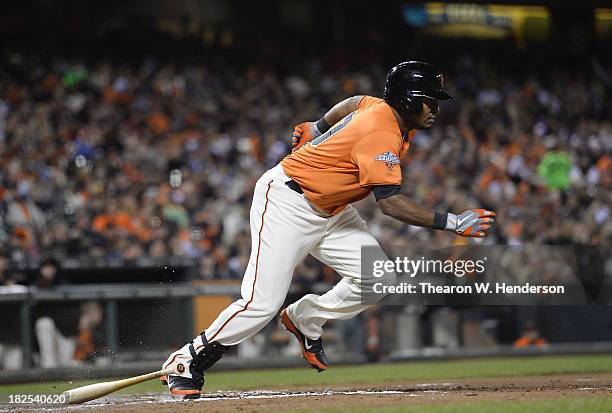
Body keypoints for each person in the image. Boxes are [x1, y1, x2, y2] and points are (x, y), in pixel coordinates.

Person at [160, 61, 496, 398]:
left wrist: (318, 126)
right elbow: (390, 203)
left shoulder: (380, 108)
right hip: (287, 203)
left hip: (332, 210)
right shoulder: (381, 130)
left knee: (378, 278)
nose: (435, 109)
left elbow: (354, 101)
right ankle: (186, 360)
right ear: (407, 100)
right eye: (429, 100)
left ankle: (305, 318)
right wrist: (451, 222)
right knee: (261, 304)